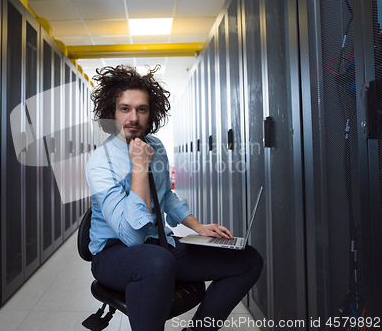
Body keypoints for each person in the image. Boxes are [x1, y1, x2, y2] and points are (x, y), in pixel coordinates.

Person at [86, 65, 263, 331]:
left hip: (159, 246)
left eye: (141, 109)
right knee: (154, 262)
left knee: (248, 260)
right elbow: (132, 238)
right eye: (124, 109)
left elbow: (165, 196)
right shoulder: (100, 162)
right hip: (113, 254)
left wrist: (198, 227)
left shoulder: (155, 145)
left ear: (150, 113)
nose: (133, 117)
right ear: (111, 112)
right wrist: (138, 167)